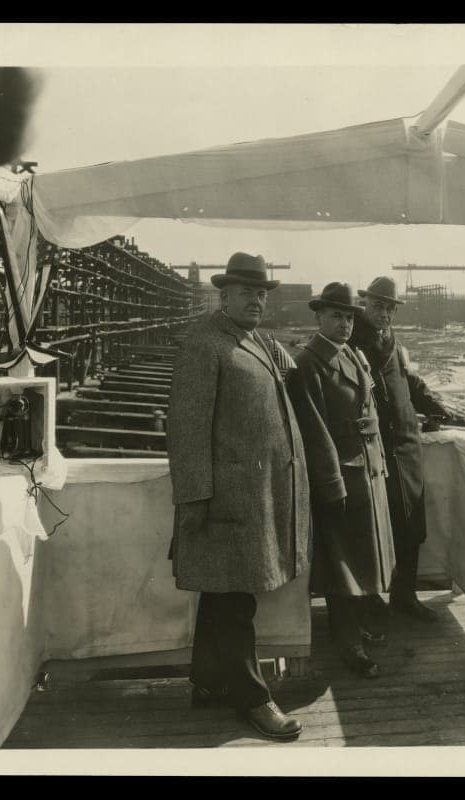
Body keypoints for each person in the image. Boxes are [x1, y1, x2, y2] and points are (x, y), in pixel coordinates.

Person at [166, 252, 311, 741]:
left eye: (262, 292)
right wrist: (194, 500)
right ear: (223, 295)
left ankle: (208, 683)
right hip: (224, 503)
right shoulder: (206, 344)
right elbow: (186, 431)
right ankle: (254, 699)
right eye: (246, 291)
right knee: (234, 603)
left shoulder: (256, 343)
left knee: (223, 594)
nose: (257, 299)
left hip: (252, 500)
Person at [286, 282, 396, 678]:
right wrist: (332, 484)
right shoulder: (308, 363)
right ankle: (348, 640)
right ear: (318, 317)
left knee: (362, 558)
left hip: (365, 470)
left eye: (350, 316)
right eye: (336, 315)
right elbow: (314, 433)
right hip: (340, 478)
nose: (345, 323)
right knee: (341, 565)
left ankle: (356, 626)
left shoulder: (352, 354)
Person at [350, 276, 450, 625]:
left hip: (406, 449)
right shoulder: (351, 341)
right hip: (374, 450)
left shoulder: (394, 341)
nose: (385, 313)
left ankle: (404, 596)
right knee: (371, 528)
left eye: (390, 308)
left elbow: (411, 383)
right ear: (364, 304)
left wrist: (437, 407)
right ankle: (370, 601)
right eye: (378, 306)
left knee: (410, 527)